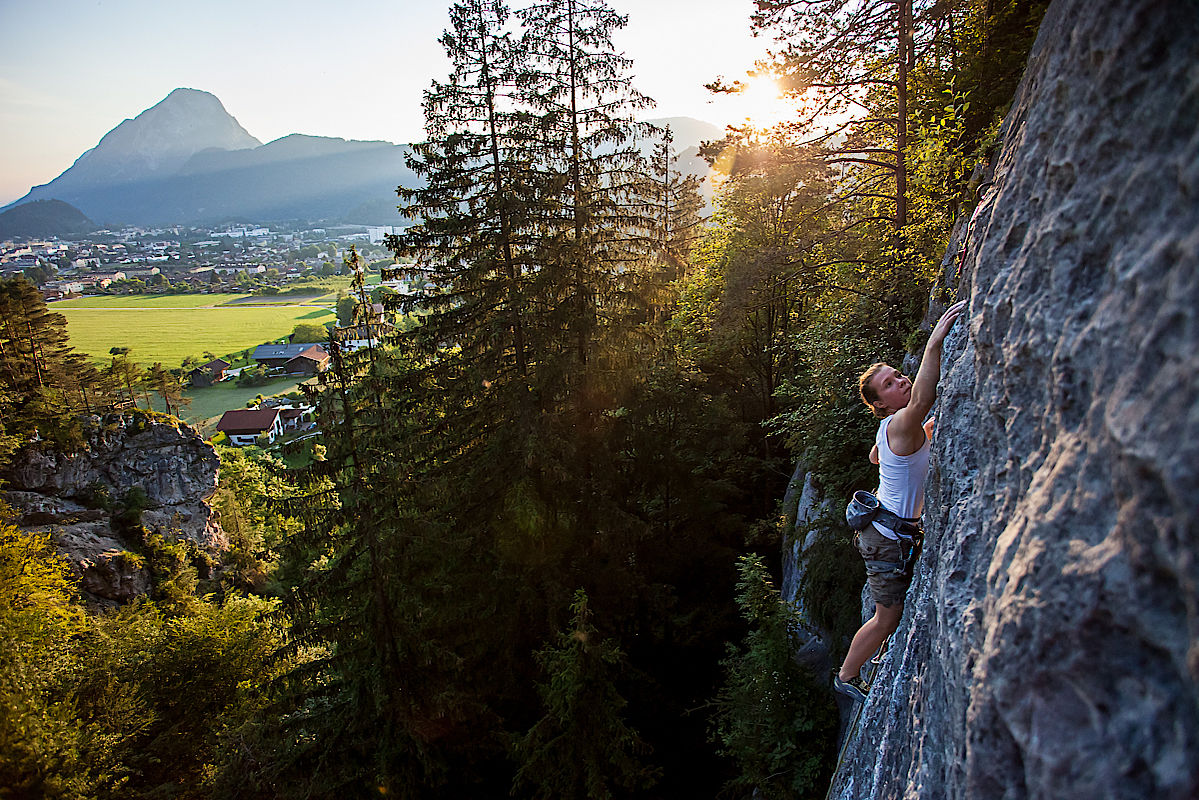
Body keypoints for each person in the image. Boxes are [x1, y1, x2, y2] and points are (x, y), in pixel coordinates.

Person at [833, 299, 967, 703]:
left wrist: (923, 430)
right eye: (891, 384)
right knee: (886, 616)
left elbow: (878, 455)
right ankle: (847, 675)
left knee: (890, 611)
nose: (903, 382)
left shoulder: (894, 429)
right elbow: (924, 401)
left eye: (899, 375)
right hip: (887, 539)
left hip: (887, 529)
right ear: (881, 406)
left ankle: (862, 664)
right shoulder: (899, 422)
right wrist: (934, 344)